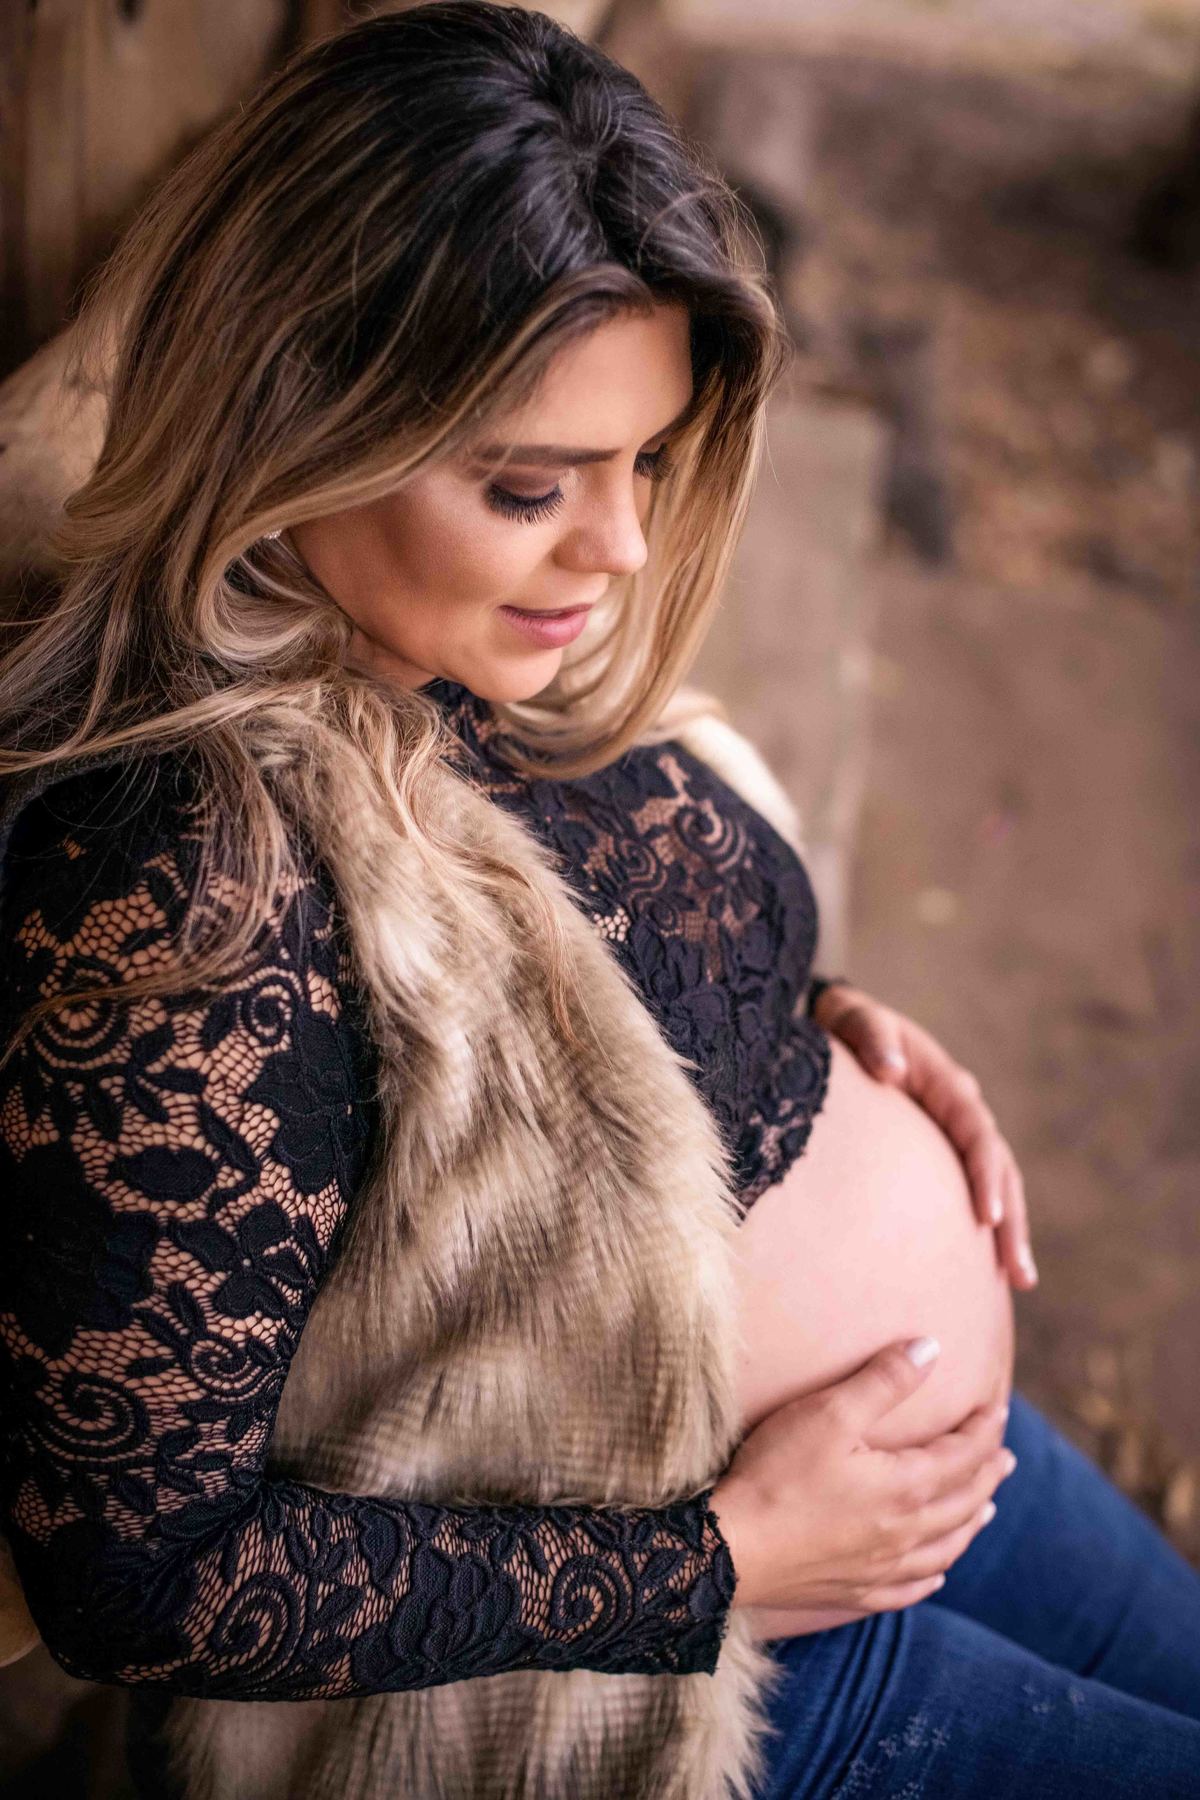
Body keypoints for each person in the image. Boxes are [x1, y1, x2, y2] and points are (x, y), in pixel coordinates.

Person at [1, 5, 1198, 1796]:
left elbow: (545, 977)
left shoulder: (448, 637)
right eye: (527, 487)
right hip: (668, 1678)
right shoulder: (185, 900)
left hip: (897, 1479)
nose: (622, 547)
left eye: (644, 461)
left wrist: (802, 1026)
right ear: (294, 424)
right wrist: (721, 1563)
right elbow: (140, 1579)